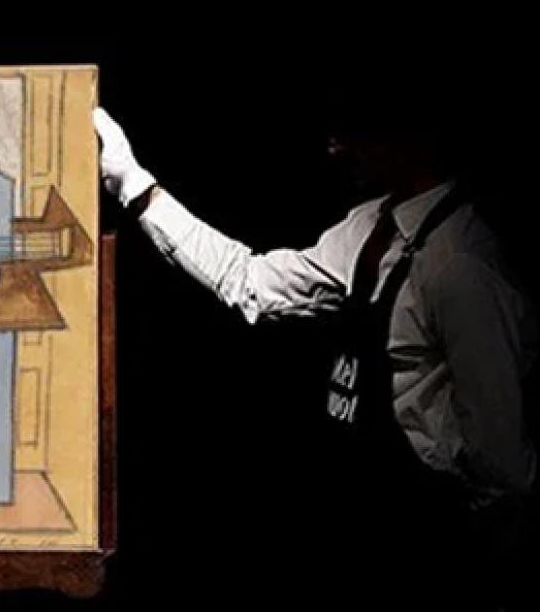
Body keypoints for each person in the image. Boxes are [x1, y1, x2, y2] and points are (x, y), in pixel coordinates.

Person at [95, 99, 537, 609]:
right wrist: (133, 184)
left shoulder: (459, 268)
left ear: (407, 138)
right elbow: (249, 283)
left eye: (356, 133)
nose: (335, 148)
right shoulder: (369, 229)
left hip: (434, 534)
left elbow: (502, 466)